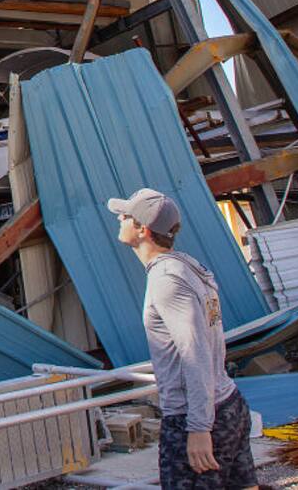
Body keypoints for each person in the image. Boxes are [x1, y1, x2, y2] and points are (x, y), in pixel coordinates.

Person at [107, 188, 258, 490]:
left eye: (125, 216)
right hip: (228, 403)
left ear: (142, 229)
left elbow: (194, 354)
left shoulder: (167, 280)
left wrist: (199, 428)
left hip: (195, 415)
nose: (119, 219)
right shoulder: (186, 267)